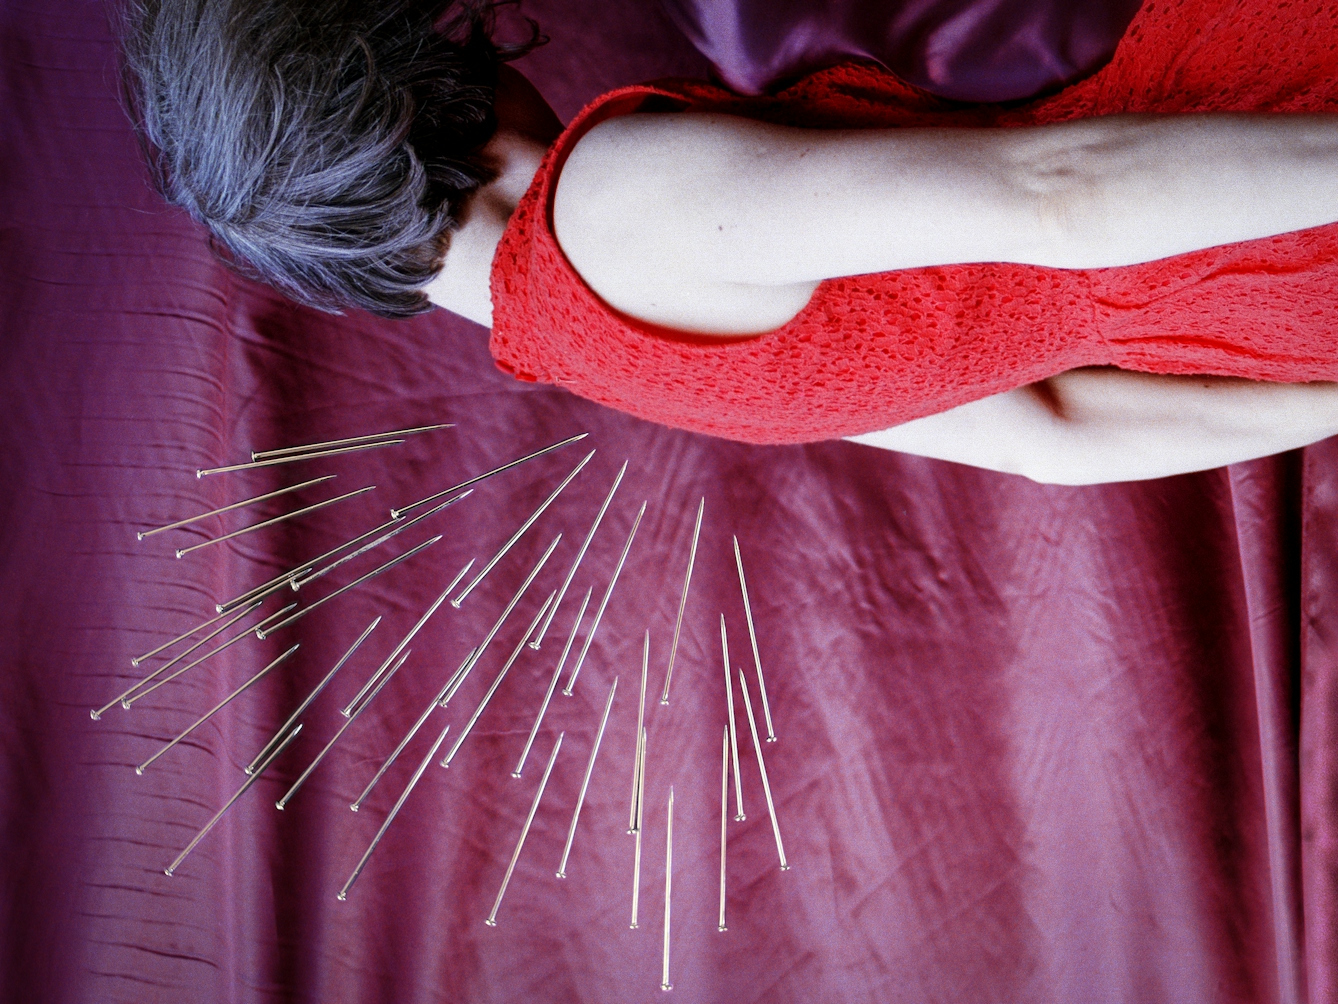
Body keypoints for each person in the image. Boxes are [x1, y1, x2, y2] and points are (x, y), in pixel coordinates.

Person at [121, 0, 1338, 485]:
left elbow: (1058, 437)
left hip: (1264, 305)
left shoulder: (588, 346)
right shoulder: (611, 209)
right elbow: (1061, 196)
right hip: (1258, 135)